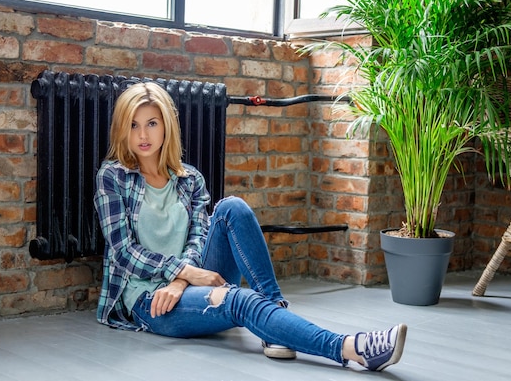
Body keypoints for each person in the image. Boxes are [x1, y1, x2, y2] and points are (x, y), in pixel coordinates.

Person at [93, 81, 407, 372]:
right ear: (123, 130)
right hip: (151, 299)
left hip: (189, 280)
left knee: (232, 207)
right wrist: (182, 275)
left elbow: (198, 239)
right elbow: (124, 252)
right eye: (133, 125)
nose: (143, 135)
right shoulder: (113, 177)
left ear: (166, 128)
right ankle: (352, 348)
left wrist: (182, 279)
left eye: (151, 123)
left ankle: (274, 317)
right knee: (240, 299)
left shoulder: (190, 179)